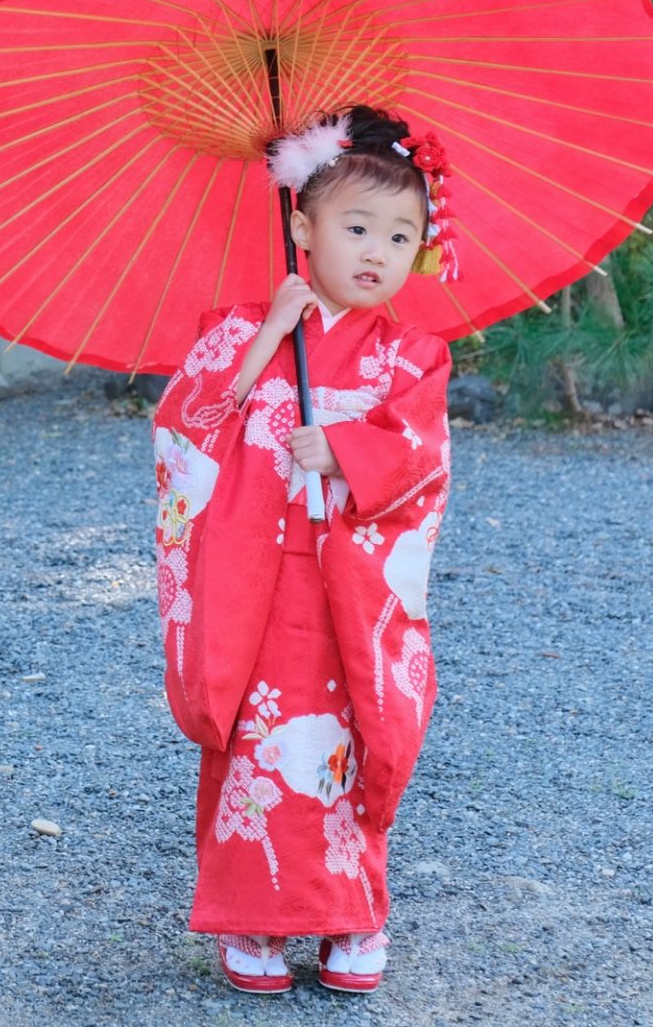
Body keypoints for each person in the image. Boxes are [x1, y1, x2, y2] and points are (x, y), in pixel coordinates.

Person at [151, 105, 455, 996]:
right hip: (256, 590)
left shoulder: (412, 356)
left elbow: (425, 457)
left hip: (351, 592)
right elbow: (183, 432)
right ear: (301, 225)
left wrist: (352, 452)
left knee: (358, 736)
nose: (376, 250)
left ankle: (353, 914)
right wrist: (259, 347)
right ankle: (251, 921)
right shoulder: (242, 327)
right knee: (255, 741)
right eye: (356, 226)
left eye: (401, 235)